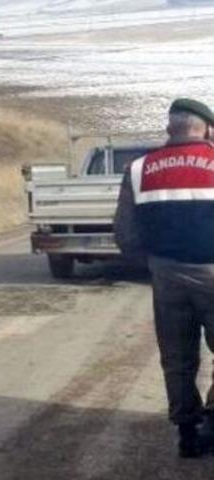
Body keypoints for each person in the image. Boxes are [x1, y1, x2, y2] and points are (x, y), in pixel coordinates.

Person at [115, 98, 214, 458]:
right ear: (206, 129)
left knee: (177, 357)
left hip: (165, 273)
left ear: (170, 128)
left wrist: (151, 266)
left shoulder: (139, 168)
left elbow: (125, 232)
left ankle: (187, 434)